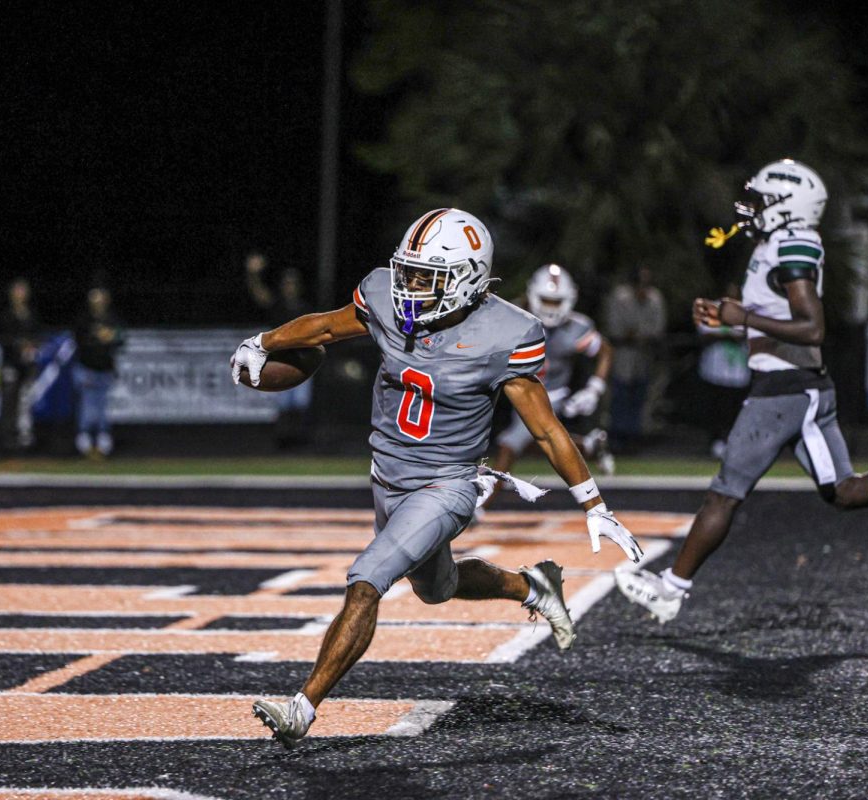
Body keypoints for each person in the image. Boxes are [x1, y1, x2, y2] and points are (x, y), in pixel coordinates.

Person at [231, 208, 643, 749]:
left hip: (448, 484)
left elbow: (544, 430)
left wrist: (594, 504)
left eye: (428, 277)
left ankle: (302, 707)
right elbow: (328, 326)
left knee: (367, 579)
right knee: (436, 587)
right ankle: (532, 585)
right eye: (408, 272)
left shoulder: (505, 332)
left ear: (470, 278)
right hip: (387, 475)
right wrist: (265, 341)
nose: (410, 287)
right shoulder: (385, 297)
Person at [616, 159, 868, 623]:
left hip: (785, 393)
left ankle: (671, 588)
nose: (751, 208)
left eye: (761, 200)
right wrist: (725, 316)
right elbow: (776, 318)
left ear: (784, 206)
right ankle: (672, 586)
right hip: (797, 387)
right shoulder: (774, 245)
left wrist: (745, 319)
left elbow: (812, 328)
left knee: (724, 493)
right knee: (844, 492)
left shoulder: (792, 245)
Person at [488, 264, 615, 497]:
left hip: (549, 395)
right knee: (538, 444)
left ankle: (480, 508)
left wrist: (594, 389)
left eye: (556, 302)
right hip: (510, 390)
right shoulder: (511, 317)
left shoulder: (576, 328)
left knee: (509, 445)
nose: (551, 308)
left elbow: (605, 351)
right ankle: (587, 447)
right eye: (546, 300)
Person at [245, 251, 313, 448]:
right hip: (281, 359)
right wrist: (253, 275)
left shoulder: (304, 307)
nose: (289, 287)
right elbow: (260, 295)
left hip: (302, 360)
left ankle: (302, 443)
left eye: (293, 283)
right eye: (286, 283)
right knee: (284, 404)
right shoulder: (278, 305)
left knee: (300, 404)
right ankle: (282, 443)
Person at [604, 265, 666, 453]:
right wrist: (634, 335)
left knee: (639, 397)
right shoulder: (620, 297)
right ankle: (616, 438)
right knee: (620, 396)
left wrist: (637, 334)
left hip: (643, 355)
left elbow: (658, 329)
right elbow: (615, 329)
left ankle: (633, 437)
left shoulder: (654, 298)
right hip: (623, 354)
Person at [695, 280, 749, 460]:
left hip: (738, 372)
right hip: (715, 371)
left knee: (735, 409)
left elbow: (749, 333)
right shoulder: (712, 309)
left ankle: (732, 443)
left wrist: (728, 334)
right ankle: (716, 442)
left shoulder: (747, 310)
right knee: (716, 408)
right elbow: (705, 333)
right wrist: (728, 334)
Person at [73, 286, 124, 458]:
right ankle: (84, 441)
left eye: (101, 299)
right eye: (95, 299)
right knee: (88, 406)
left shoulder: (112, 319)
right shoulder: (84, 319)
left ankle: (103, 442)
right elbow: (78, 340)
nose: (98, 302)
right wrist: (97, 336)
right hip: (87, 367)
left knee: (103, 407)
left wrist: (112, 337)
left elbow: (121, 339)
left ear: (106, 300)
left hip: (105, 369)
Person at [0, 278, 42, 452]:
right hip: (10, 364)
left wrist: (32, 344)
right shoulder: (5, 315)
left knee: (25, 402)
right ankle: (7, 438)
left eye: (23, 291)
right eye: (17, 291)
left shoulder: (31, 315)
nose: (20, 295)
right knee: (8, 401)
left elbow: (38, 337)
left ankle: (25, 438)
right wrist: (17, 343)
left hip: (27, 365)